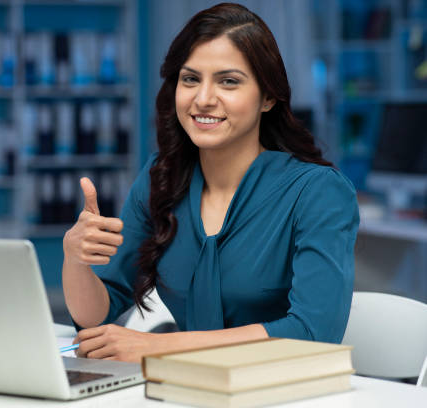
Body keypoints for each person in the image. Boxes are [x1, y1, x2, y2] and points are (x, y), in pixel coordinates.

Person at [62, 2, 360, 363]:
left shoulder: (318, 192)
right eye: (190, 79)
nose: (203, 99)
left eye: (229, 81)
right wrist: (75, 259)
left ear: (267, 97)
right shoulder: (161, 178)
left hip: (281, 393)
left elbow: (314, 333)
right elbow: (98, 315)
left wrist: (157, 347)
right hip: (185, 388)